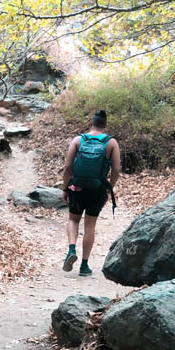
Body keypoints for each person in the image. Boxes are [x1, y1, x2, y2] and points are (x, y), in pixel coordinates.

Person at [61, 110, 121, 276]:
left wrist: (65, 188)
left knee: (73, 220)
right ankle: (84, 266)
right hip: (98, 189)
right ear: (105, 125)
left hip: (77, 187)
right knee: (90, 225)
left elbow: (68, 167)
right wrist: (109, 188)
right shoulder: (111, 143)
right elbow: (116, 170)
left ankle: (71, 250)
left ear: (90, 123)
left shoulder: (78, 140)